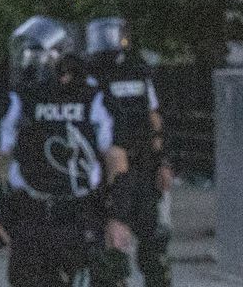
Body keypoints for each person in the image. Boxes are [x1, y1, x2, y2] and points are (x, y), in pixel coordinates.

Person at [0, 17, 138, 287]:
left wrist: (118, 217)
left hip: (83, 215)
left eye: (36, 56)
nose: (29, 64)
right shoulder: (20, 100)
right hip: (31, 217)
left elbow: (116, 160)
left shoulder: (93, 98)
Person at [85, 16, 170, 287]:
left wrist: (162, 162)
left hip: (129, 166)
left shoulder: (125, 73)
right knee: (123, 239)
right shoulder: (123, 72)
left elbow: (153, 119)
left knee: (140, 237)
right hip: (122, 166)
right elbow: (154, 118)